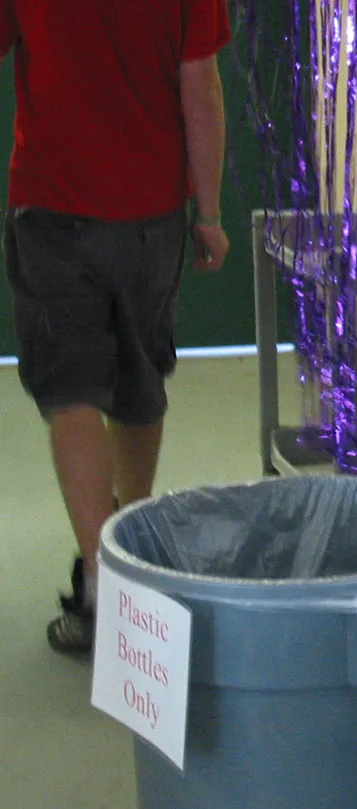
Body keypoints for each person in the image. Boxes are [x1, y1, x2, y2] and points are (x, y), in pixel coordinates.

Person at [0, 1, 232, 653]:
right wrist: (209, 211)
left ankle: (105, 579)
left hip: (50, 204)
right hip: (151, 212)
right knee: (139, 379)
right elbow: (202, 89)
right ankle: (129, 541)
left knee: (70, 393)